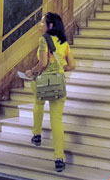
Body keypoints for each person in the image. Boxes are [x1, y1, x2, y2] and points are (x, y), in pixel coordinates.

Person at [25, 12, 76, 171]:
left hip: (42, 82)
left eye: (42, 22)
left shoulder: (43, 40)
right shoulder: (64, 43)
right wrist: (59, 69)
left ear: (50, 26)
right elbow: (72, 65)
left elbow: (42, 63)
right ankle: (59, 157)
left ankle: (37, 134)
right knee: (56, 121)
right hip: (58, 84)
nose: (40, 25)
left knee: (38, 104)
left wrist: (31, 72)